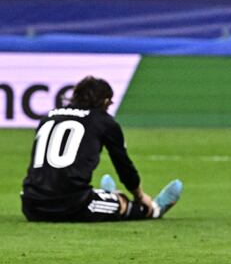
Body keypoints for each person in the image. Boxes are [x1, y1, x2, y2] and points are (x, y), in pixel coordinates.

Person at [21, 76, 183, 222]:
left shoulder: (48, 117)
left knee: (78, 191)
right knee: (123, 204)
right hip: (71, 206)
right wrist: (140, 196)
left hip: (30, 205)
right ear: (105, 102)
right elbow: (123, 165)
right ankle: (154, 209)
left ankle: (107, 195)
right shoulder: (104, 121)